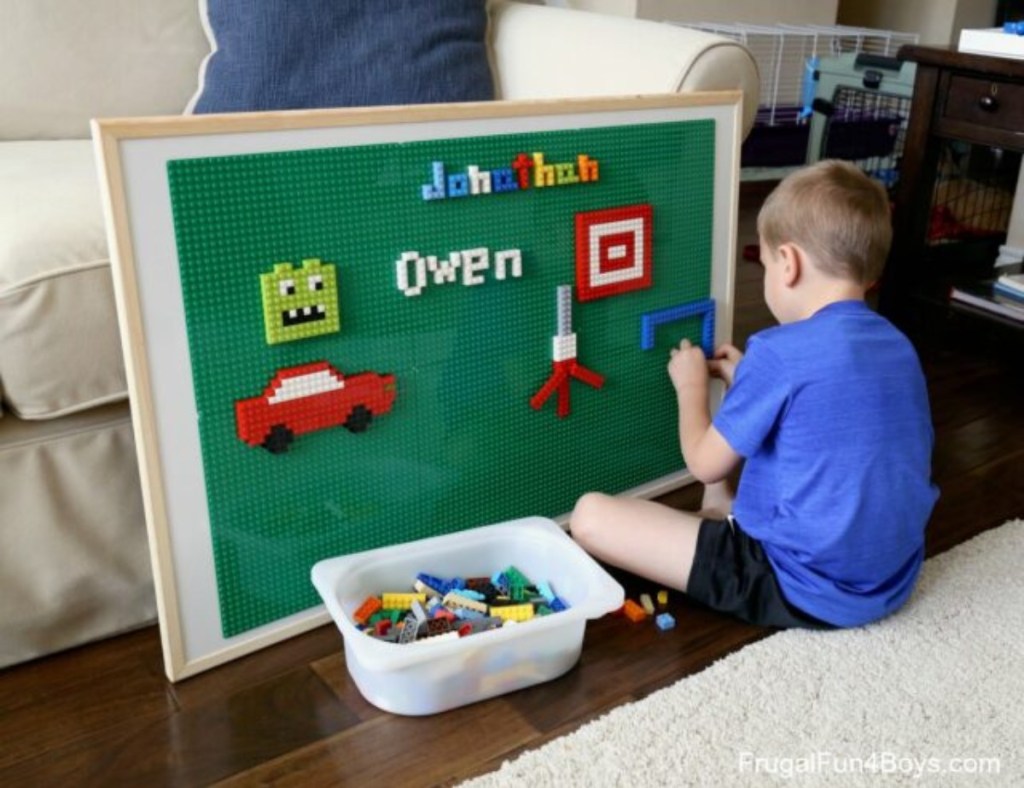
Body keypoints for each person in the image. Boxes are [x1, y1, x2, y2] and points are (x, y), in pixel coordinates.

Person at [570, 160, 939, 629]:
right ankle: (723, 514)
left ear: (788, 263)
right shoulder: (898, 345)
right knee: (756, 466)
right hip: (889, 577)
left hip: (798, 586)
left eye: (764, 266)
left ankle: (727, 524)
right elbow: (824, 413)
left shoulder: (778, 351)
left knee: (589, 517)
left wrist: (691, 388)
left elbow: (704, 462)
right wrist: (748, 382)